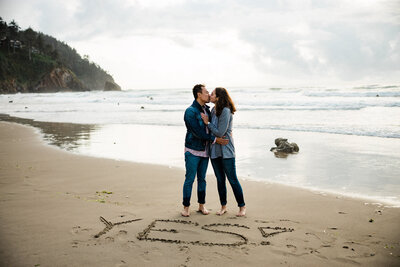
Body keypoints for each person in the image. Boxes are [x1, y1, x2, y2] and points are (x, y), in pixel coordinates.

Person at [182, 84, 229, 217]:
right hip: (192, 150)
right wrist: (215, 139)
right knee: (190, 178)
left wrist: (227, 132)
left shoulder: (208, 110)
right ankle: (186, 207)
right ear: (199, 94)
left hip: (205, 150)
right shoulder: (190, 111)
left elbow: (214, 125)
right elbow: (197, 132)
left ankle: (201, 205)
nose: (209, 94)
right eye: (206, 92)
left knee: (202, 179)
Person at [201, 87, 246, 216]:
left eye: (213, 94)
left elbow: (220, 132)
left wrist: (208, 123)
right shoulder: (213, 110)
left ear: (219, 97)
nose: (210, 95)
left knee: (232, 179)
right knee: (220, 180)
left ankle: (242, 207)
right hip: (214, 150)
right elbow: (217, 132)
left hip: (226, 151)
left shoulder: (226, 111)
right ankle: (223, 206)